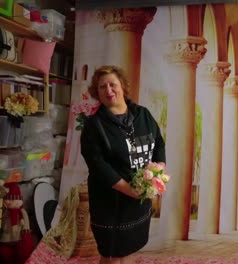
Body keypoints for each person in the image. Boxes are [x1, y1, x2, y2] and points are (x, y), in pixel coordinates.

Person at [80, 65, 166, 263]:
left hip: (138, 203)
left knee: (128, 251)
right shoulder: (94, 126)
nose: (109, 91)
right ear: (96, 92)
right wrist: (129, 190)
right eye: (102, 87)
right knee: (112, 254)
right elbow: (98, 166)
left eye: (113, 84)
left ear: (123, 87)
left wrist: (159, 170)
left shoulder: (143, 115)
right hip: (111, 204)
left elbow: (158, 143)